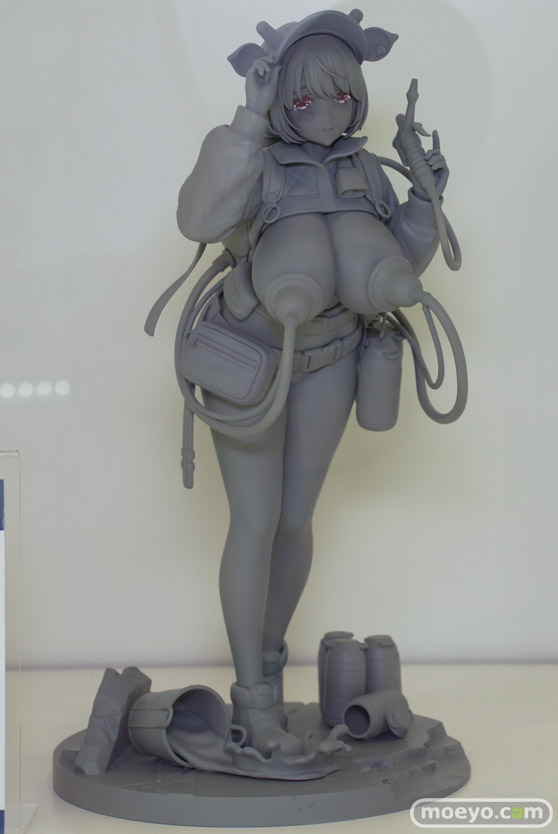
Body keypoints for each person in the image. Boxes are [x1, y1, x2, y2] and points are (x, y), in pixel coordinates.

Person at [176, 9, 449, 757]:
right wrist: (249, 121)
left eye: (340, 95)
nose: (325, 113)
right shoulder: (257, 161)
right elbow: (198, 218)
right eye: (304, 98)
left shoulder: (366, 170)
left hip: (330, 358)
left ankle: (266, 669)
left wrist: (423, 201)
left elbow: (396, 262)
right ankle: (252, 703)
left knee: (295, 521)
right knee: (254, 521)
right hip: (250, 361)